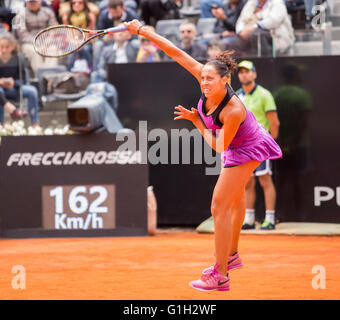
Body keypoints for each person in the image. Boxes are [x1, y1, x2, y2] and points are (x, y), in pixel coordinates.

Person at [124, 19, 282, 291]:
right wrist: (142, 31)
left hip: (248, 146)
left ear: (225, 80)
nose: (204, 82)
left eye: (210, 79)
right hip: (236, 143)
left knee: (218, 205)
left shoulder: (232, 109)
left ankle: (220, 274)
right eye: (203, 77)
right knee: (232, 201)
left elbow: (219, 147)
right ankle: (231, 256)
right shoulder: (203, 76)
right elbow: (174, 51)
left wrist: (197, 122)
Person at [236, 60, 280, 230]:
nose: (244, 74)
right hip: (243, 147)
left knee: (265, 180)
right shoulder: (238, 96)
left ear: (254, 74)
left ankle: (269, 219)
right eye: (240, 72)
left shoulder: (264, 94)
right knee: (247, 182)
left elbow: (274, 123)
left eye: (247, 71)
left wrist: (269, 145)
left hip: (261, 146)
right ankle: (249, 219)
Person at [0, 33, 40, 127]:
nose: (4, 50)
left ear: (13, 47)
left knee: (32, 91)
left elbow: (23, 80)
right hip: (1, 91)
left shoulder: (19, 58)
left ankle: (35, 123)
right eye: (1, 47)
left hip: (15, 89)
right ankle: (1, 124)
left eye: (7, 47)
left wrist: (14, 83)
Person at [16, 0, 59, 73]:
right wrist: (38, 44)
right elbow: (22, 34)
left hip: (47, 42)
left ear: (39, 1)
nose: (33, 3)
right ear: (26, 2)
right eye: (30, 2)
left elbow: (53, 30)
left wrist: (45, 43)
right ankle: (40, 77)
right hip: (29, 43)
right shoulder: (21, 14)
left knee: (53, 49)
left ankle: (50, 77)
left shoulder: (48, 12)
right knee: (35, 51)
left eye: (34, 1)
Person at [93, 0, 138, 70]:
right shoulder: (104, 16)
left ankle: (136, 69)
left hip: (127, 40)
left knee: (136, 43)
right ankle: (96, 70)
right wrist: (105, 38)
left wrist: (126, 36)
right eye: (112, 12)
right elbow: (100, 33)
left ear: (123, 8)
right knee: (98, 45)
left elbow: (136, 34)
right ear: (108, 9)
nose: (115, 15)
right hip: (110, 41)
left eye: (117, 12)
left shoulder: (131, 15)